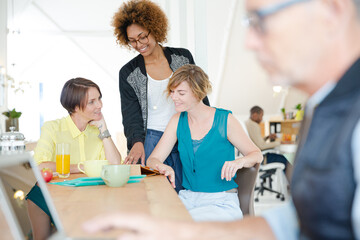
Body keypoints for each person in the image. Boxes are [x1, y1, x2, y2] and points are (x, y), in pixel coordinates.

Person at [83, 0, 360, 239]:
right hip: (169, 156)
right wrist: (181, 232)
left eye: (260, 21)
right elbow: (299, 224)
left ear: (331, 11)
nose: (249, 41)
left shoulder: (349, 119)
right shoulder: (320, 110)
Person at [111, 0, 209, 193]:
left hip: (185, 134)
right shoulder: (128, 73)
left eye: (142, 37)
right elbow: (131, 116)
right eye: (132, 40)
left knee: (188, 192)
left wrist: (208, 129)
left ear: (154, 29)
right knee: (155, 196)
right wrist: (137, 143)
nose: (139, 44)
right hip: (151, 140)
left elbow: (199, 96)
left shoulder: (183, 58)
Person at [145, 64, 261, 221]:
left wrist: (240, 162)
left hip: (221, 202)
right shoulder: (177, 121)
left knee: (184, 228)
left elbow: (256, 155)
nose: (174, 97)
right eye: (172, 92)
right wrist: (162, 166)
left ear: (197, 93)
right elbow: (152, 160)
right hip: (187, 199)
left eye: (181, 93)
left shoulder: (225, 120)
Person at [27, 78, 122, 240]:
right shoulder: (53, 128)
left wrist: (104, 128)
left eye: (99, 98)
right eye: (92, 102)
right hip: (50, 198)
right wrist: (80, 167)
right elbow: (40, 165)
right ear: (75, 107)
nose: (99, 105)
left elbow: (115, 164)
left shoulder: (96, 132)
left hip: (88, 197)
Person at [245, 106, 288, 172]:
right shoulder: (254, 125)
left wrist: (267, 137)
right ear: (255, 115)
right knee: (285, 160)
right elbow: (261, 146)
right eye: (261, 116)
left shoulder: (247, 123)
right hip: (262, 159)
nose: (262, 119)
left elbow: (256, 141)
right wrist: (279, 143)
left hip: (254, 158)